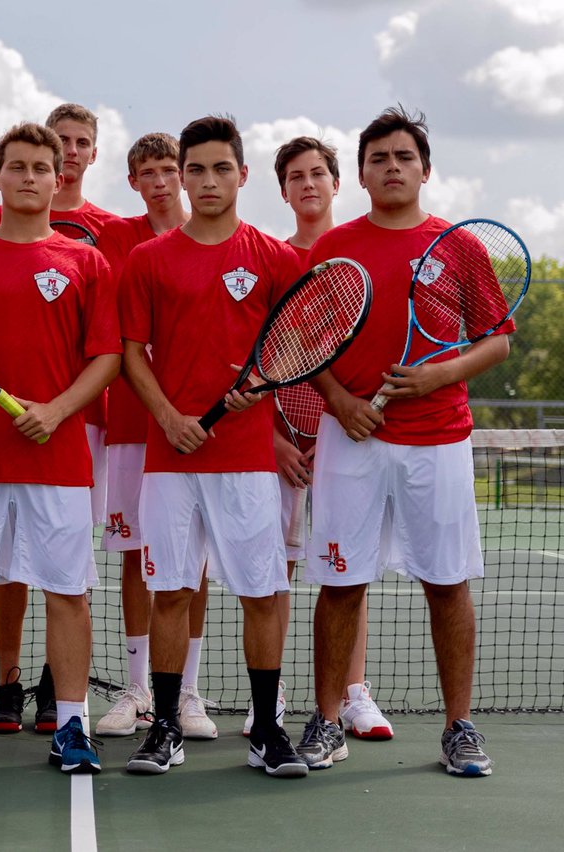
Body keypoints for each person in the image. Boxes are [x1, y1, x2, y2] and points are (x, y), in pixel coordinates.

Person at [299, 107, 509, 776]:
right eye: (379, 158)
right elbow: (304, 341)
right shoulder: (331, 249)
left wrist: (439, 374)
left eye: (404, 157)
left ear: (424, 168)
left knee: (447, 585)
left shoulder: (461, 247)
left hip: (439, 441)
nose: (392, 167)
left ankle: (459, 728)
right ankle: (326, 722)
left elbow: (497, 338)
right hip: (351, 441)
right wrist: (340, 402)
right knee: (341, 585)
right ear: (359, 174)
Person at [120, 115, 307, 777]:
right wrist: (168, 417)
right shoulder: (148, 259)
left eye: (219, 168)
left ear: (242, 175)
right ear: (180, 176)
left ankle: (267, 733)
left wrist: (269, 377)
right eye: (193, 169)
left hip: (246, 461)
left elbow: (294, 338)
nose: (205, 180)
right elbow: (131, 353)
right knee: (170, 591)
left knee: (260, 592)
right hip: (169, 460)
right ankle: (164, 728)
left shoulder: (275, 258)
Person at [0, 122, 120, 774]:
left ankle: (72, 726)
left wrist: (57, 411)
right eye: (18, 167)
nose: (31, 177)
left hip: (58, 459)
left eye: (43, 167)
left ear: (59, 178)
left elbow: (106, 357)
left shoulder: (86, 262)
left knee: (67, 592)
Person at [244, 136, 393, 741]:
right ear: (282, 191)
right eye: (295, 177)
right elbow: (256, 362)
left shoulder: (358, 258)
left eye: (317, 174)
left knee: (345, 570)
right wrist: (273, 439)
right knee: (275, 573)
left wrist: (332, 424)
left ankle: (352, 692)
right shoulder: (273, 263)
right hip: (277, 444)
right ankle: (271, 692)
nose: (307, 184)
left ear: (337, 183)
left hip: (343, 440)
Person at [92, 133, 218, 741]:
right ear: (133, 182)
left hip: (199, 431)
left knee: (192, 563)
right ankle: (137, 687)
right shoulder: (116, 240)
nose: (162, 181)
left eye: (171, 169)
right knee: (134, 557)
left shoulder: (215, 235)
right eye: (149, 172)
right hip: (132, 424)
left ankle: (187, 690)